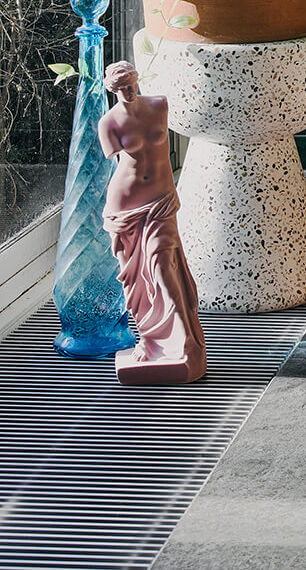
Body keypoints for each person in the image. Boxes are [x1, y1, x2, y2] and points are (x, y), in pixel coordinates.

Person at [99, 61, 206, 384]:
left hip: (160, 202)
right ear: (112, 91)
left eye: (131, 84)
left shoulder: (159, 105)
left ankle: (185, 340)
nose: (129, 91)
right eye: (121, 88)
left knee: (162, 265)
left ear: (137, 80)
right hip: (126, 204)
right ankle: (150, 340)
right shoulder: (109, 123)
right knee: (136, 282)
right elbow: (116, 163)